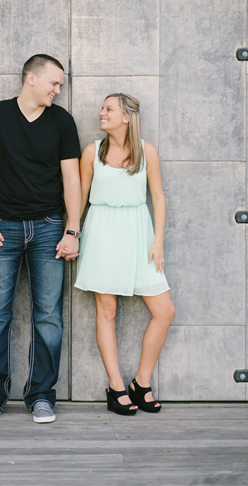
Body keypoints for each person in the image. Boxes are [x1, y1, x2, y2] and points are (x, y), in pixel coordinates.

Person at [0, 54, 82, 424]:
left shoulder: (62, 122)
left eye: (60, 85)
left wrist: (73, 229)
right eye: (54, 83)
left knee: (49, 316)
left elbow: (72, 180)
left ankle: (41, 395)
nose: (58, 90)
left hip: (49, 227)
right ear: (31, 78)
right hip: (2, 228)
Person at [74, 93, 175, 415]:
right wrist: (71, 233)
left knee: (165, 310)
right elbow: (79, 198)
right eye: (102, 107)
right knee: (107, 310)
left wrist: (157, 240)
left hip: (139, 232)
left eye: (108, 109)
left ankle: (141, 383)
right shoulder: (92, 152)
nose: (101, 113)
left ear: (126, 117)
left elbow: (157, 198)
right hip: (102, 232)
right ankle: (117, 387)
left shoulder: (147, 152)